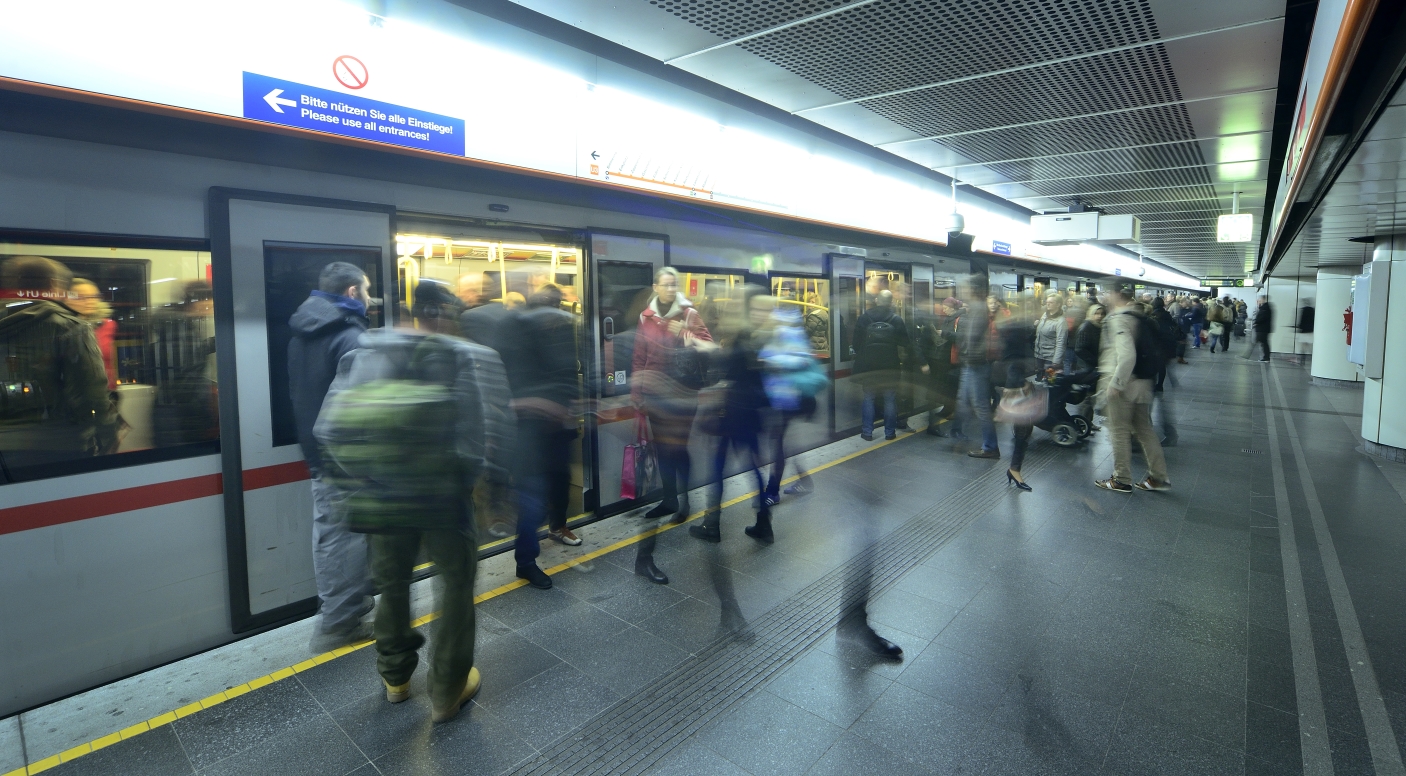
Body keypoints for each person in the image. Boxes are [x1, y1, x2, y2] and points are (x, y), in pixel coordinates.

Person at [315, 278, 513, 724]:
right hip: (446, 501)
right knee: (457, 586)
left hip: (383, 500)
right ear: (445, 313)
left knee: (393, 587)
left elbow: (326, 431)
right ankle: (446, 691)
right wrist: (487, 488)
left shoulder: (365, 352)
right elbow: (488, 432)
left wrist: (362, 481)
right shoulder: (469, 357)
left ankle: (396, 678)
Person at [287, 261, 375, 651]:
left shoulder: (301, 331)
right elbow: (363, 406)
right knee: (346, 537)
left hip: (318, 449)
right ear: (352, 292)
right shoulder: (351, 337)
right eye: (368, 290)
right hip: (347, 455)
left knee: (332, 532)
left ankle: (346, 608)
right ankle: (338, 624)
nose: (372, 298)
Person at [631, 267, 714, 583]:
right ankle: (669, 499)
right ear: (655, 287)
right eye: (664, 284)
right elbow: (640, 357)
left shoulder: (690, 314)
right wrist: (637, 391)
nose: (669, 288)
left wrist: (684, 332)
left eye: (673, 284)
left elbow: (708, 345)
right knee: (663, 448)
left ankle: (684, 501)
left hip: (682, 392)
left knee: (678, 447)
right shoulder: (646, 318)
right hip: (655, 394)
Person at [498, 283, 581, 590]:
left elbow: (567, 376)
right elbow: (507, 388)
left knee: (559, 485)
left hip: (557, 430)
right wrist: (534, 404)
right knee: (531, 499)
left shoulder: (559, 334)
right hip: (528, 434)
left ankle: (558, 527)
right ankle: (527, 562)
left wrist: (570, 406)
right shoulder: (515, 334)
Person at [0, 255, 115, 477]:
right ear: (54, 285)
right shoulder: (69, 325)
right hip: (55, 443)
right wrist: (108, 431)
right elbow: (92, 391)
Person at [690, 290, 772, 543]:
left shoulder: (742, 339)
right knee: (751, 468)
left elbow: (732, 368)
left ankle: (712, 525)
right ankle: (763, 522)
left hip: (732, 413)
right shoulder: (749, 338)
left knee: (717, 468)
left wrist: (709, 349)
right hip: (747, 414)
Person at [1094, 281, 1170, 493]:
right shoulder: (1140, 316)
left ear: (1116, 294)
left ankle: (1121, 478)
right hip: (1144, 382)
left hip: (1124, 384)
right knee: (1145, 430)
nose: (1104, 296)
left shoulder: (1119, 319)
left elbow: (1126, 356)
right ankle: (1158, 477)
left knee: (1119, 432)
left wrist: (1115, 383)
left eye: (1107, 292)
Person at [760, 304, 824, 504]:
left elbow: (800, 361)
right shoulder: (783, 335)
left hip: (790, 400)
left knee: (779, 445)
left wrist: (774, 362)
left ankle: (772, 492)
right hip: (783, 399)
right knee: (786, 444)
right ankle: (804, 482)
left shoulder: (790, 336)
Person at [853, 289, 908, 441]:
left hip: (869, 366)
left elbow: (855, 344)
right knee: (890, 399)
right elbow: (905, 343)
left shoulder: (864, 318)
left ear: (876, 300)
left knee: (869, 397)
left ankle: (867, 432)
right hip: (890, 366)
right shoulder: (896, 319)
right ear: (891, 303)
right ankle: (889, 433)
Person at [953, 282, 999, 458]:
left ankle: (990, 447)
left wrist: (965, 352)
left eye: (967, 287)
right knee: (963, 399)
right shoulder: (976, 307)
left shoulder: (979, 308)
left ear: (974, 290)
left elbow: (972, 336)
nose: (964, 290)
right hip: (971, 363)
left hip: (976, 364)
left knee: (980, 406)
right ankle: (956, 432)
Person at [1147, 296, 1180, 447]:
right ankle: (1168, 432)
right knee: (1160, 400)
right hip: (1166, 362)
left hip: (1157, 365)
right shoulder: (1168, 318)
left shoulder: (1154, 322)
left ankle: (1149, 433)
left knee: (1155, 399)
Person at [1032, 292, 1067, 373]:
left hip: (1051, 357)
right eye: (1047, 302)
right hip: (1039, 354)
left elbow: (1061, 342)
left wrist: (1056, 362)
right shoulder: (1045, 315)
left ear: (1058, 304)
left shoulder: (1061, 321)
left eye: (1051, 303)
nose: (1048, 304)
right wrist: (1036, 326)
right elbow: (1041, 332)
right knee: (1040, 377)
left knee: (1049, 380)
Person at [1252, 296, 1273, 361]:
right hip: (1263, 328)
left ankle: (1266, 357)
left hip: (1263, 328)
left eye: (1260, 299)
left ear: (1263, 299)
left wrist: (1256, 322)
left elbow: (1262, 317)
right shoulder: (1265, 307)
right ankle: (1266, 357)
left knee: (1263, 342)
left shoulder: (1265, 308)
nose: (1259, 300)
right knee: (1263, 342)